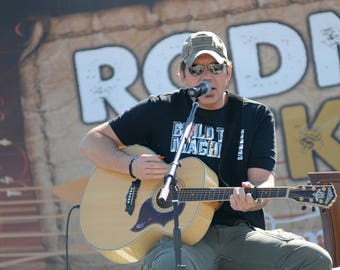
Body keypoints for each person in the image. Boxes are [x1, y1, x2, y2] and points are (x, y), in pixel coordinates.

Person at [79, 31, 332, 270]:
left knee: (314, 259)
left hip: (238, 233)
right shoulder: (160, 109)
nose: (206, 77)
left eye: (215, 68)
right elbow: (92, 141)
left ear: (228, 72)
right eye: (196, 70)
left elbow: (262, 181)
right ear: (183, 75)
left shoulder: (254, 116)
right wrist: (131, 165)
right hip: (177, 239)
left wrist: (254, 198)